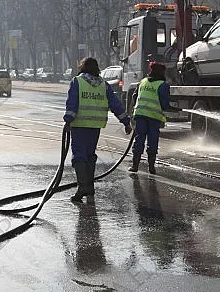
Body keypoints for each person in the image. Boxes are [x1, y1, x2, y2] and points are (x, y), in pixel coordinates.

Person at [64, 57, 132, 202]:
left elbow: (72, 103)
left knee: (79, 156)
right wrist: (126, 122)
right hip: (95, 126)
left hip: (80, 125)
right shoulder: (104, 85)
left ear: (82, 67)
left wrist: (68, 120)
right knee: (89, 155)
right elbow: (115, 105)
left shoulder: (77, 82)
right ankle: (90, 188)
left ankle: (83, 187)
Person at [129, 62, 175, 175]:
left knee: (139, 140)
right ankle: (151, 167)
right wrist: (172, 109)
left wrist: (138, 107)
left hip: (140, 115)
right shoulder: (163, 85)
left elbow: (134, 96)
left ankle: (135, 166)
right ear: (161, 72)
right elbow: (164, 103)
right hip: (153, 117)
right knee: (152, 141)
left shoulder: (143, 82)